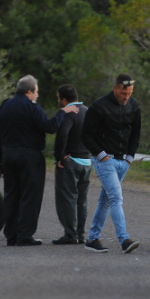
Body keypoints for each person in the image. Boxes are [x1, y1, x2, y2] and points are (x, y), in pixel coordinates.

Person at [0, 75, 78, 246]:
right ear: (29, 91)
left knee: (11, 195)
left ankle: (11, 236)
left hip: (8, 156)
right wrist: (63, 112)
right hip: (30, 156)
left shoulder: (3, 107)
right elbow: (49, 127)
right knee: (30, 196)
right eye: (36, 92)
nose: (37, 96)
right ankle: (24, 235)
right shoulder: (32, 107)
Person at [81, 73, 141, 254]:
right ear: (115, 88)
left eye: (129, 93)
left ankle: (92, 239)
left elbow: (136, 132)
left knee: (106, 201)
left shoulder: (134, 105)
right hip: (105, 160)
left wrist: (130, 156)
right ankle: (124, 240)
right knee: (116, 198)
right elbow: (86, 135)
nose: (126, 97)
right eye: (123, 93)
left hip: (124, 161)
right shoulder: (99, 106)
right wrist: (101, 155)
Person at [52, 85, 90, 245]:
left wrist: (59, 155)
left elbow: (62, 133)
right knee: (81, 200)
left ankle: (70, 234)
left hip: (71, 161)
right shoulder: (87, 111)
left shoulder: (69, 112)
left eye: (59, 98)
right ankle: (80, 234)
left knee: (67, 198)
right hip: (87, 161)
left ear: (64, 99)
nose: (59, 101)